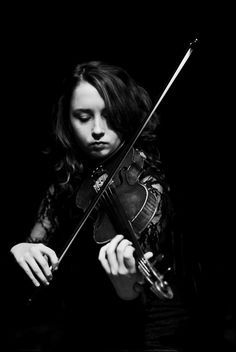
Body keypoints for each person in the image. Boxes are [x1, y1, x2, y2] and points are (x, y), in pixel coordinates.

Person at [8, 61, 198, 352]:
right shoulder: (65, 184)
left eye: (109, 116)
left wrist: (129, 290)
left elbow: (157, 289)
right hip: (87, 329)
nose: (98, 130)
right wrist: (20, 249)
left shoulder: (151, 180)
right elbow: (35, 244)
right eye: (83, 117)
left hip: (155, 331)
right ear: (67, 121)